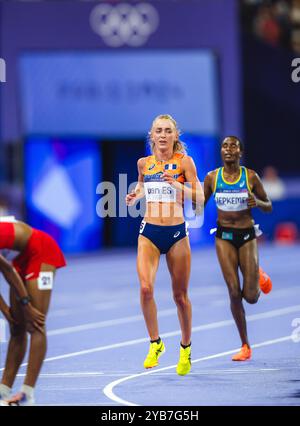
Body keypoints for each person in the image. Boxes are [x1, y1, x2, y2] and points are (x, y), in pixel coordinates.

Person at [126, 114, 204, 376]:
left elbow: (200, 197)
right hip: (149, 232)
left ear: (174, 136)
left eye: (167, 131)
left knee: (180, 297)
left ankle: (185, 348)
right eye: (158, 130)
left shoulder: (185, 162)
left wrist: (180, 189)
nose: (162, 135)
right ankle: (155, 343)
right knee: (146, 288)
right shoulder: (143, 163)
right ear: (152, 135)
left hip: (176, 235)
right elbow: (142, 187)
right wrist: (134, 195)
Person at [204, 136, 272, 361]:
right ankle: (245, 345)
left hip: (247, 237)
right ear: (221, 151)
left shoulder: (250, 176)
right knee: (234, 292)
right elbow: (199, 203)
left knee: (250, 297)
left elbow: (268, 206)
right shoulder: (212, 178)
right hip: (224, 237)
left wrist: (257, 202)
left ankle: (258, 275)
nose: (229, 149)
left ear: (240, 152)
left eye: (233, 146)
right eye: (225, 146)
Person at [0, 217, 66, 405]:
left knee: (35, 323)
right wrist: (6, 312)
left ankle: (27, 393)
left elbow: (7, 271)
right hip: (18, 259)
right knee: (16, 327)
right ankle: (3, 390)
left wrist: (26, 305)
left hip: (41, 250)